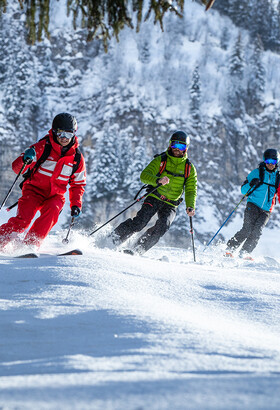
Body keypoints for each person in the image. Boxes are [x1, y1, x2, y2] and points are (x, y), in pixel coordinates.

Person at [0, 113, 86, 251]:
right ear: (54, 131)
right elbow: (17, 169)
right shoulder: (42, 147)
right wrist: (25, 159)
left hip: (55, 195)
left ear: (74, 134)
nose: (64, 138)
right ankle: (1, 239)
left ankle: (30, 245)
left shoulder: (76, 158)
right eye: (60, 133)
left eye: (68, 134)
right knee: (23, 221)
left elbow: (78, 184)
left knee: (52, 212)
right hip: (33, 191)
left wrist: (76, 204)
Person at [112, 130, 197, 255]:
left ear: (186, 149)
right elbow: (144, 176)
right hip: (155, 197)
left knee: (163, 226)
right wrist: (158, 180)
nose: (177, 149)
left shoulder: (189, 168)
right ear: (170, 145)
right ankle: (113, 240)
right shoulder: (161, 160)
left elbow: (191, 189)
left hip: (171, 203)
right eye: (174, 145)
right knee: (139, 223)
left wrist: (190, 206)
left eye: (181, 146)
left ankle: (137, 250)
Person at [226, 148, 280, 259]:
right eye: (268, 161)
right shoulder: (257, 173)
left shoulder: (278, 177)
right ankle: (230, 249)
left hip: (266, 210)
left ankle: (244, 253)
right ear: (264, 161)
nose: (270, 164)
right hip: (253, 205)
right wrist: (252, 184)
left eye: (273, 162)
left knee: (257, 232)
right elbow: (243, 190)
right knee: (247, 229)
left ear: (277, 162)